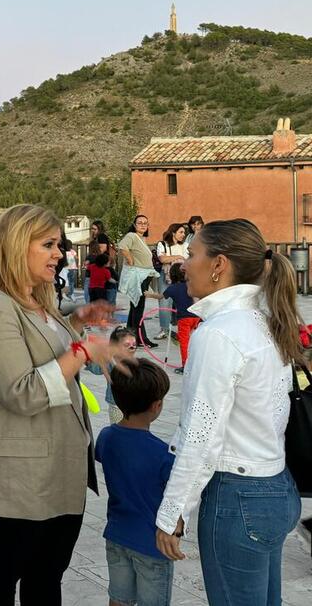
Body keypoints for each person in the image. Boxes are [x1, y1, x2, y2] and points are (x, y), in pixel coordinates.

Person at [0, 204, 125, 605]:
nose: (59, 253)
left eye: (58, 244)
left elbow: (39, 350)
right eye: (47, 244)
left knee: (46, 578)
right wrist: (82, 351)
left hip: (52, 471)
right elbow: (22, 390)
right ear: (14, 247)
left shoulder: (36, 300)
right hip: (16, 478)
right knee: (2, 575)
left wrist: (76, 321)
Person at [155, 220, 303, 605]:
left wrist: (172, 512)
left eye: (191, 255)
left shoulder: (219, 333)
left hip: (238, 497)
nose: (184, 264)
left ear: (218, 264)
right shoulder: (263, 322)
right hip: (274, 485)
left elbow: (201, 434)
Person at [95, 359, 175, 606]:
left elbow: (101, 455)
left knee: (118, 599)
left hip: (117, 534)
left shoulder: (106, 437)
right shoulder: (163, 454)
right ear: (157, 405)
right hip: (151, 543)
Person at [118, 215, 160, 348]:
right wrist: (130, 260)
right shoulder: (131, 236)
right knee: (138, 308)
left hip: (144, 276)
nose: (142, 225)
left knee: (135, 307)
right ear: (135, 225)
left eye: (145, 223)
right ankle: (140, 339)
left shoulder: (141, 238)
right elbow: (122, 247)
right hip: (139, 277)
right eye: (140, 223)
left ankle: (132, 337)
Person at [162, 264, 198, 373]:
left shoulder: (172, 288)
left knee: (184, 342)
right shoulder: (191, 284)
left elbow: (161, 296)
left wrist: (149, 295)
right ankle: (195, 363)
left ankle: (185, 365)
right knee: (194, 340)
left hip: (184, 319)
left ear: (172, 275)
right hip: (196, 317)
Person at [155, 223, 188, 340]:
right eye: (181, 232)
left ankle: (184, 328)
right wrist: (179, 256)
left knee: (184, 302)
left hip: (182, 278)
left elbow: (188, 260)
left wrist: (172, 258)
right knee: (164, 302)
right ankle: (164, 329)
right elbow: (162, 258)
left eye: (184, 233)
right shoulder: (162, 244)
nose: (183, 235)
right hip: (166, 276)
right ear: (173, 232)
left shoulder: (186, 245)